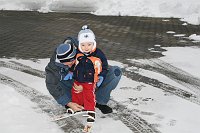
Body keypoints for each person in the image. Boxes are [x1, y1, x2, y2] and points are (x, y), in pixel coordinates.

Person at [45, 30, 122, 115]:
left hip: (88, 82)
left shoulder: (84, 46)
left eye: (72, 62)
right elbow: (51, 84)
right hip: (72, 88)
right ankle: (73, 102)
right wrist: (68, 103)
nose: (70, 66)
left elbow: (100, 66)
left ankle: (99, 101)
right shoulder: (54, 66)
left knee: (115, 72)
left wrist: (89, 85)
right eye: (66, 64)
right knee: (56, 80)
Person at [65, 25, 108, 125]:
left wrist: (102, 76)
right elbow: (74, 63)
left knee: (89, 94)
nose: (86, 47)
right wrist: (71, 71)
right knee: (75, 92)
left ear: (93, 43)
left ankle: (91, 111)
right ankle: (76, 106)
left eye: (89, 44)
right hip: (78, 78)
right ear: (79, 45)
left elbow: (104, 66)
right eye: (83, 45)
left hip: (90, 79)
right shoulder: (78, 53)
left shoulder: (98, 53)